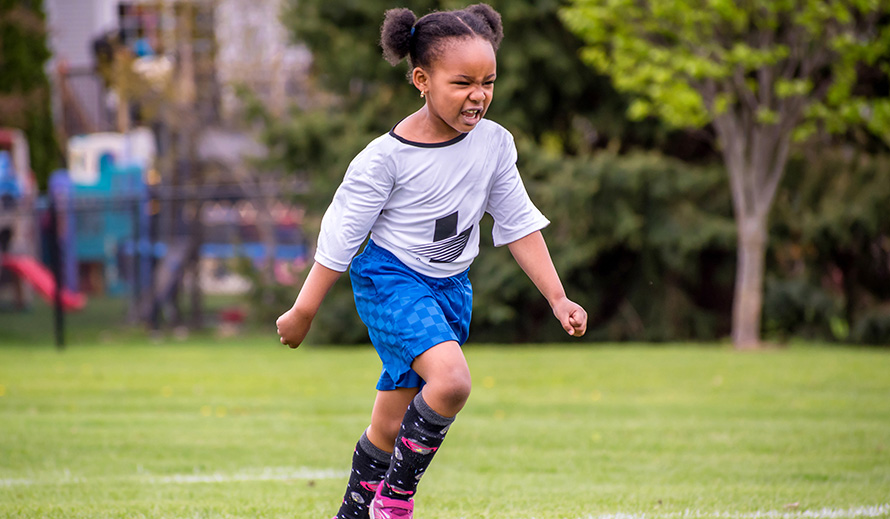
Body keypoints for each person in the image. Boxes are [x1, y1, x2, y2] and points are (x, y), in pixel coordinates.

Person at [275, 4, 588, 519]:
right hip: (390, 281)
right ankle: (393, 504)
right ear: (421, 79)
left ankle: (353, 513)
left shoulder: (494, 144)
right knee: (452, 382)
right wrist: (304, 311)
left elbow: (517, 224)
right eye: (462, 82)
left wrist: (558, 297)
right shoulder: (384, 159)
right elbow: (340, 238)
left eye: (488, 81)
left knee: (391, 425)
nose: (479, 95)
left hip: (451, 288)